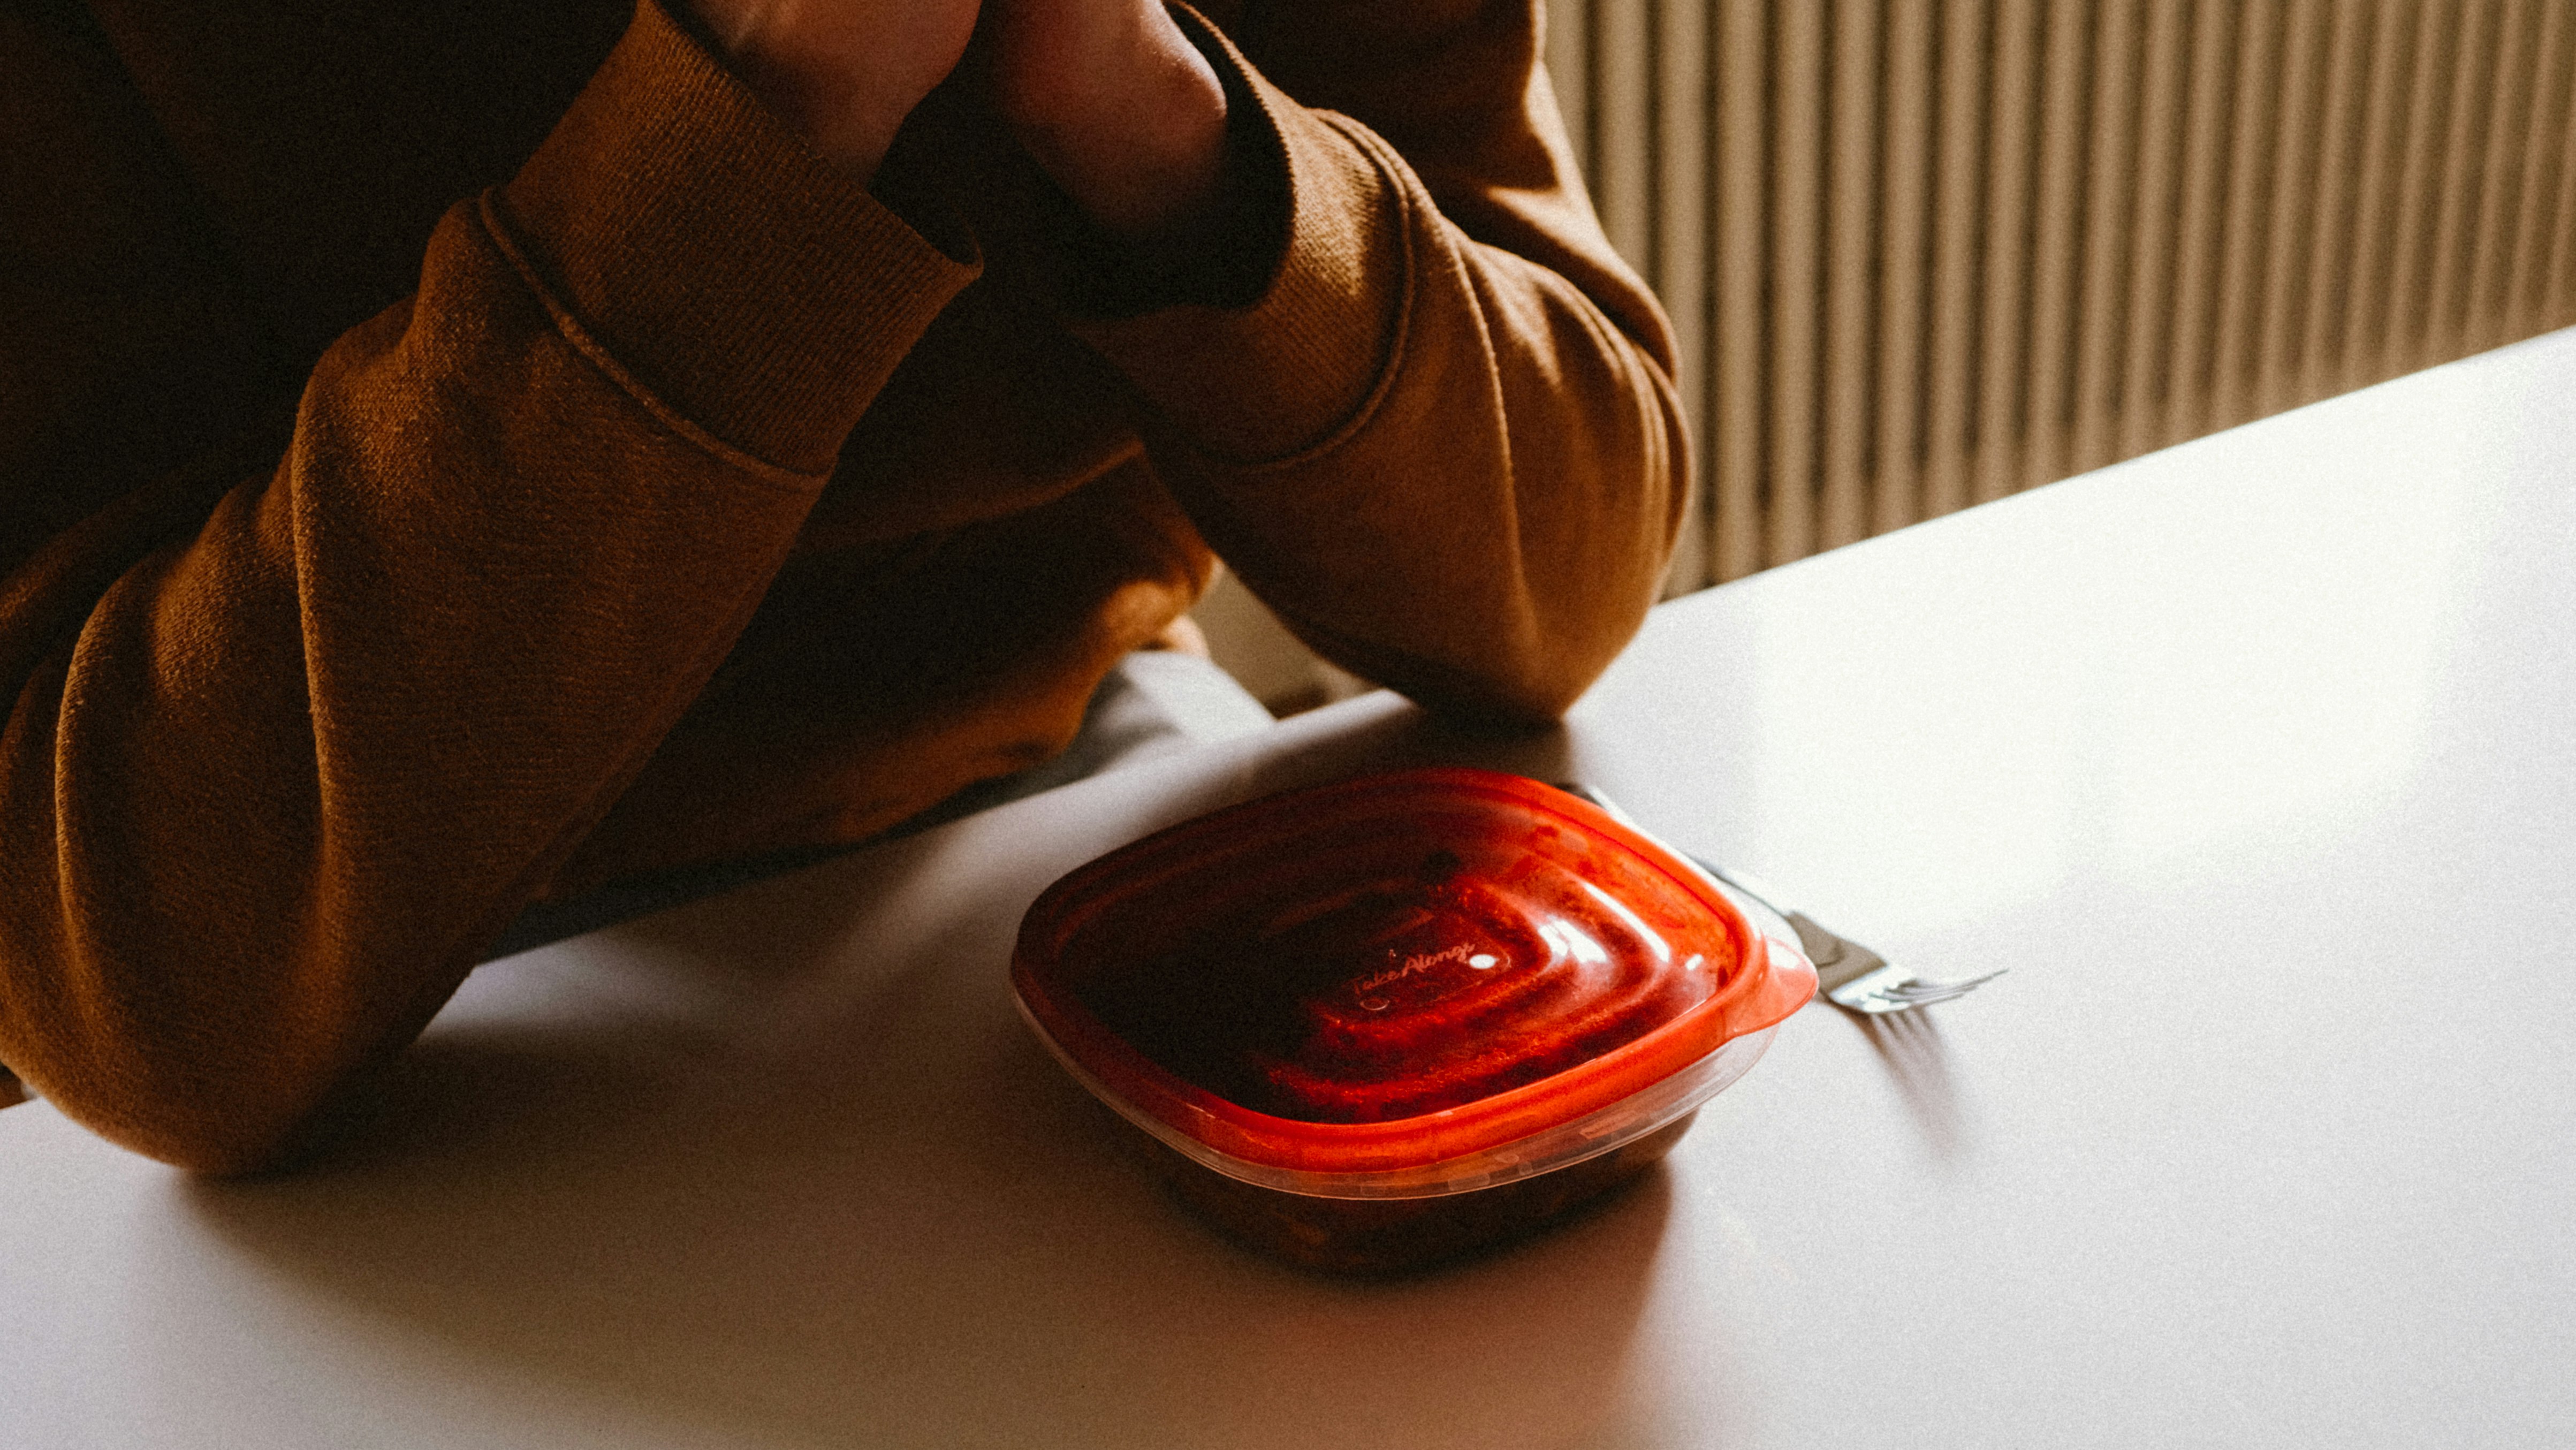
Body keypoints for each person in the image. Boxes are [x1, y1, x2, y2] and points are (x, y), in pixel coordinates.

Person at [0, 0, 1686, 1170]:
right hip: (376, 1034)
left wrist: (1156, 119)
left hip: (1074, 795)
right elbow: (121, 983)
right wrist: (764, 119)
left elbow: (1575, 567)